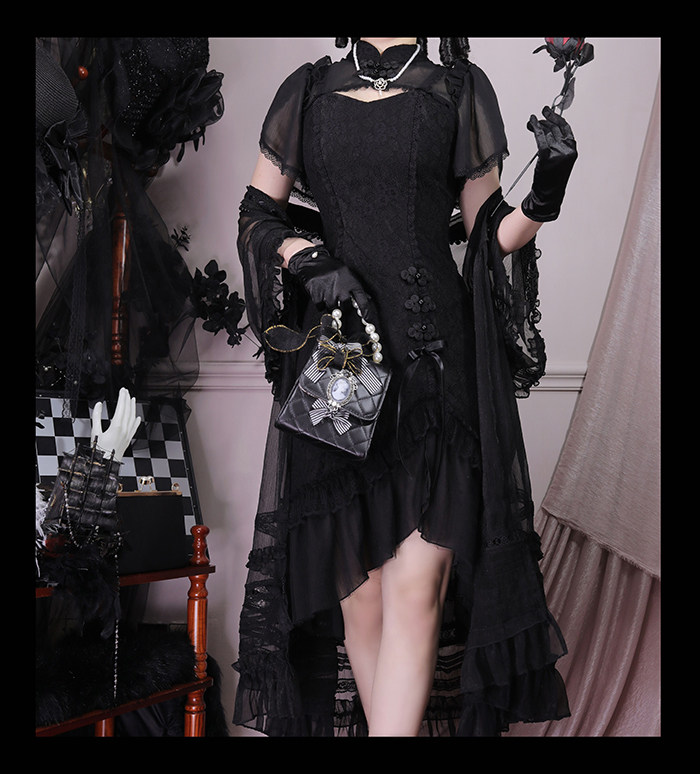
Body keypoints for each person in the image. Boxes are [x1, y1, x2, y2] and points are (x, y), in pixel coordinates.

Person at [234, 37, 576, 737]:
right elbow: (256, 216)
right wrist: (310, 260)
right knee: (358, 598)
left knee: (417, 591)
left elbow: (487, 236)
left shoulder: (458, 88)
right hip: (341, 360)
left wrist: (545, 192)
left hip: (433, 358)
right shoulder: (307, 89)